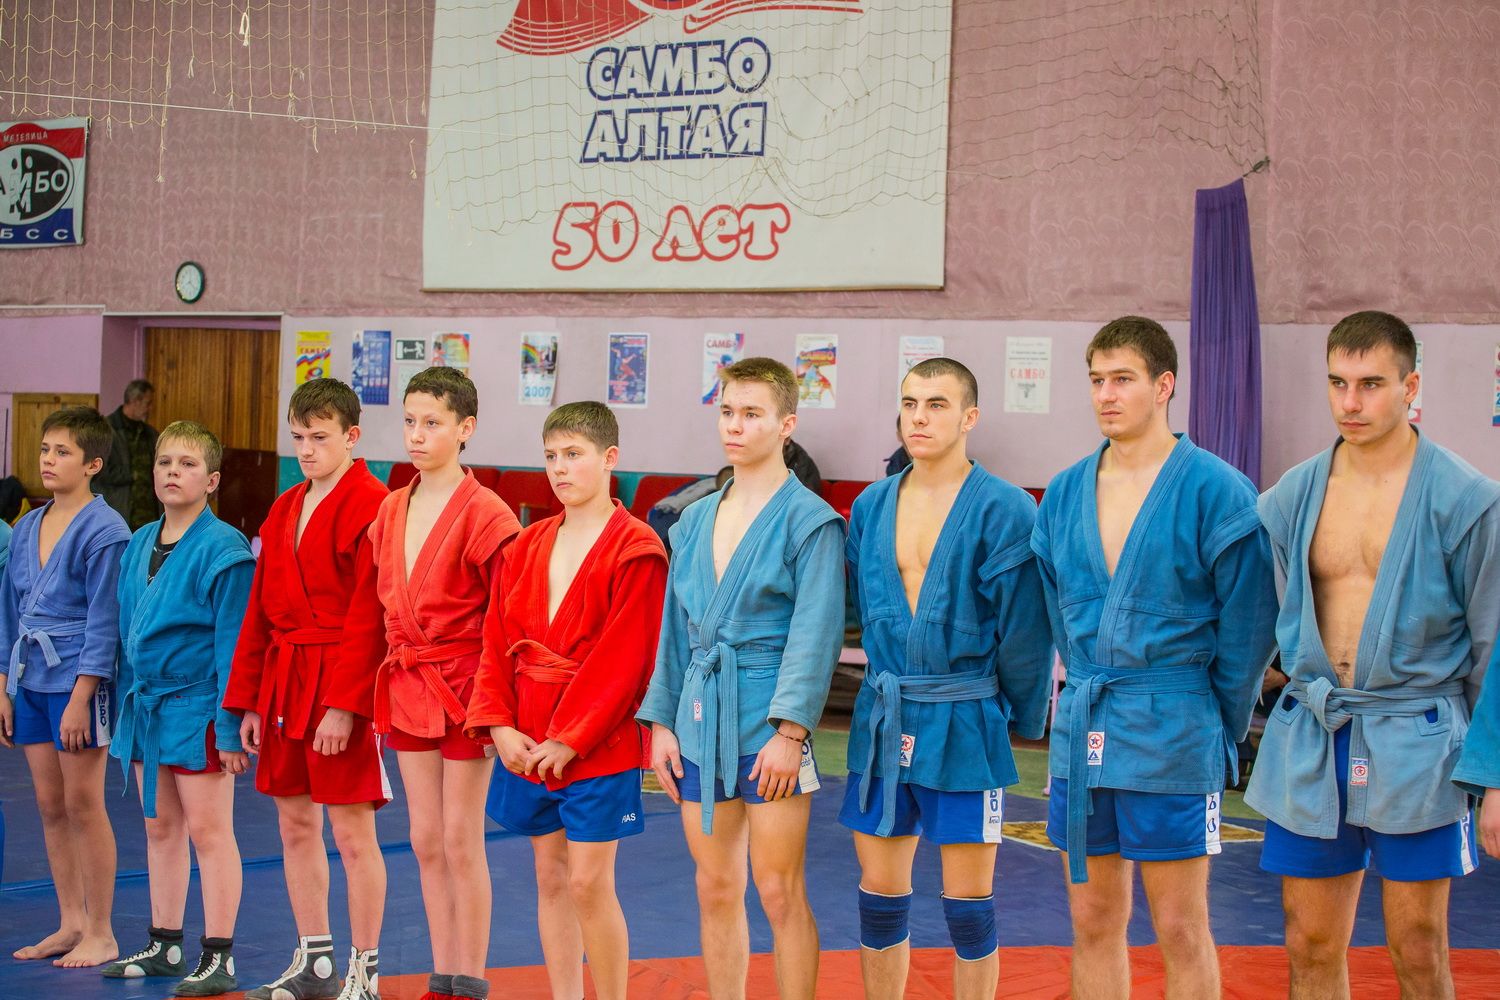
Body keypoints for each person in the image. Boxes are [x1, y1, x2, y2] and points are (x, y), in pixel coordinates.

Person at [1246, 310, 1500, 1000]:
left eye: (1371, 384)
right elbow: (1262, 616)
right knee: (1309, 940)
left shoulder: (1467, 500)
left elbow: (1493, 642)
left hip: (1419, 741)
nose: (1350, 403)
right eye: (1338, 383)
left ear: (1411, 387)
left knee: (1418, 944)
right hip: (1316, 732)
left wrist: (1495, 775)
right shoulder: (1293, 495)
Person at [1031, 317, 1277, 999]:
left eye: (1123, 379)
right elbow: (1058, 614)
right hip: (1087, 716)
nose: (1106, 395)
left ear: (1164, 385)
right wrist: (1084, 683)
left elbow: (1250, 626)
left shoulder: (1217, 489)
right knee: (1092, 919)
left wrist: (1212, 719)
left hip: (1175, 723)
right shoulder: (1065, 492)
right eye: (1096, 380)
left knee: (1180, 925)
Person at [840, 358, 1053, 999]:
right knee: (878, 903)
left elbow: (1026, 631)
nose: (919, 417)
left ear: (969, 417)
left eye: (937, 404)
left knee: (968, 910)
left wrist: (1017, 719)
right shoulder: (871, 505)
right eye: (910, 403)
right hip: (885, 713)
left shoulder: (1006, 508)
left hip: (964, 718)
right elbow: (861, 607)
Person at [638, 357, 846, 1000]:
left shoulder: (811, 521)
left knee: (779, 890)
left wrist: (791, 731)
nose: (735, 425)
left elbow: (816, 633)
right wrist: (663, 721)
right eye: (727, 411)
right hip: (700, 717)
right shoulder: (693, 519)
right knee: (715, 886)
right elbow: (675, 630)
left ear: (786, 423)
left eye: (752, 414)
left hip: (768, 720)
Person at [467, 401, 668, 1000]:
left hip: (598, 740)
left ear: (609, 459)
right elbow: (495, 640)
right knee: (550, 876)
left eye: (574, 455)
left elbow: (627, 659)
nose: (559, 468)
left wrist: (571, 737)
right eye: (551, 456)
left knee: (588, 882)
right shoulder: (526, 544)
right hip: (528, 730)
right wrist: (499, 724)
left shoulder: (636, 547)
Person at [224, 378, 391, 1000]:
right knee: (295, 824)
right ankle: (316, 962)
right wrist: (247, 699)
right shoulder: (285, 506)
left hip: (340, 676)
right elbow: (260, 611)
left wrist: (346, 705)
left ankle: (364, 973)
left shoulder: (373, 503)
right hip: (285, 679)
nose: (306, 450)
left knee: (351, 832)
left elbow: (371, 614)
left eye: (319, 438)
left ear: (352, 437)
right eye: (298, 438)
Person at [368, 367, 520, 1000]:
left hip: (465, 688)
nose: (417, 434)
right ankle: (441, 975)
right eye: (410, 421)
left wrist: (497, 707)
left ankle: (470, 978)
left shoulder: (487, 512)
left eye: (432, 423)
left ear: (465, 428)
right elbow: (379, 607)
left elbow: (507, 620)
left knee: (461, 838)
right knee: (425, 839)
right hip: (409, 683)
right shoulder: (390, 508)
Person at [104, 421, 254, 996]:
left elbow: (234, 646)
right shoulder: (140, 540)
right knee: (159, 827)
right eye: (165, 461)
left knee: (210, 832)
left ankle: (219, 955)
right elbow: (126, 633)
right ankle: (165, 943)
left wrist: (229, 729)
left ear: (211, 480)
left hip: (198, 705)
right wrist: (121, 706)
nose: (173, 472)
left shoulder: (226, 550)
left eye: (188, 464)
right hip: (147, 704)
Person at [0, 406, 131, 967]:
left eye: (63, 452)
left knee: (82, 803)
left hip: (78, 678)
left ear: (93, 464)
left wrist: (82, 696)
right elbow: (9, 611)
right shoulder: (27, 526)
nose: (48, 461)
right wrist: (3, 685)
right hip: (29, 676)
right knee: (50, 804)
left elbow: (105, 621)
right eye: (45, 450)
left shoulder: (107, 531)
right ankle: (70, 921)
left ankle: (102, 930)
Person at [99, 379, 164, 530]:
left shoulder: (150, 434)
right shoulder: (106, 430)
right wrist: (131, 475)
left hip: (149, 518)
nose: (150, 408)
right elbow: (99, 470)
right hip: (118, 514)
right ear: (135, 401)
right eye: (148, 403)